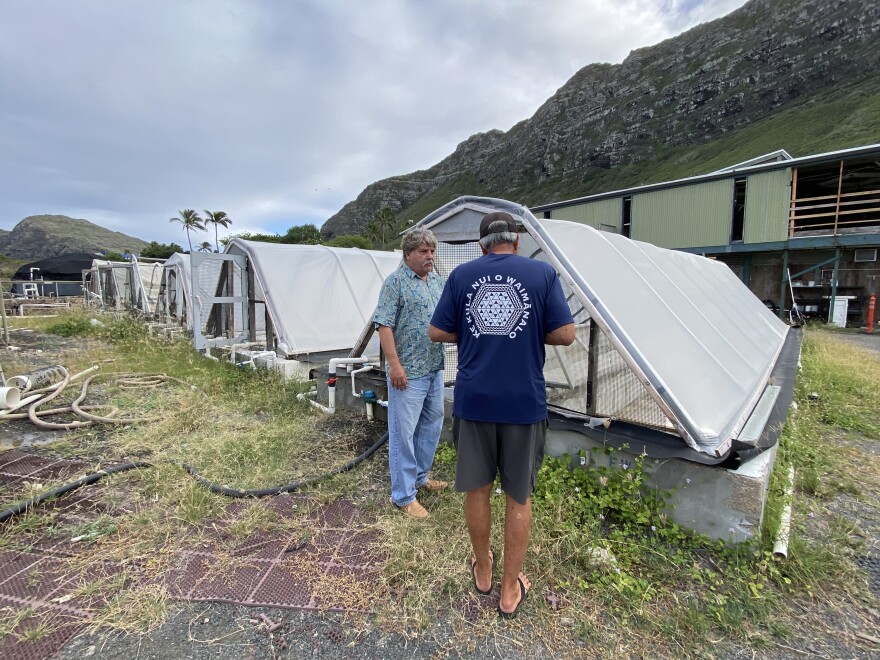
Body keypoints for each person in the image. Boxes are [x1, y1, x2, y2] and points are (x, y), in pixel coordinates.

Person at [428, 211, 575, 617]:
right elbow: (565, 333)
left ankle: (483, 571)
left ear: (481, 245)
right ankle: (510, 592)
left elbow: (437, 331)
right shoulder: (541, 274)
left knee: (477, 488)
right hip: (523, 405)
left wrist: (474, 328)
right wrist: (529, 328)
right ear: (518, 241)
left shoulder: (461, 276)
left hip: (474, 401)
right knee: (518, 495)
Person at [374, 227, 449, 520]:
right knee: (403, 433)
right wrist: (394, 365)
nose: (430, 256)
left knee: (431, 424)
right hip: (407, 373)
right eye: (423, 251)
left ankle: (420, 478)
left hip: (433, 367)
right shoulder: (395, 284)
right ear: (408, 255)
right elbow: (383, 325)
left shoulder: (437, 283)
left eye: (432, 251)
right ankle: (403, 496)